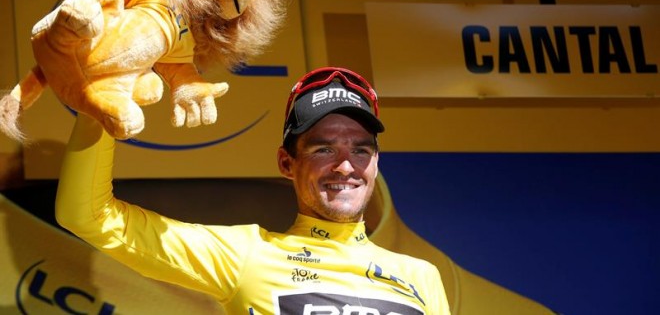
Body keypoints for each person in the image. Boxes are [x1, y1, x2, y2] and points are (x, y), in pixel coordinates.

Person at [55, 66, 451, 314]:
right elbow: (88, 215)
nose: (346, 166)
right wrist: (99, 109)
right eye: (324, 148)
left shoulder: (421, 277)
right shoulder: (245, 255)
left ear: (376, 164)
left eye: (360, 149)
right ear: (286, 164)